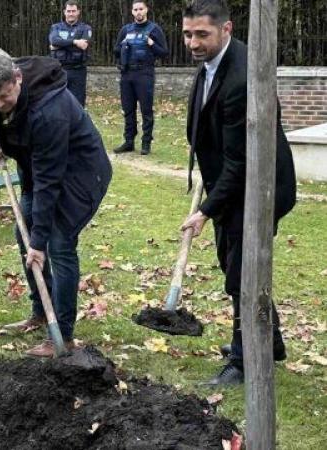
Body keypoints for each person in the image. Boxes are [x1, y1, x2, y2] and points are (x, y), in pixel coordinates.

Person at [181, 0, 296, 385]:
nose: (193, 43)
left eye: (202, 35)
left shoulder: (242, 78)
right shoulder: (213, 63)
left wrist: (205, 211)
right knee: (236, 263)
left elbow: (242, 162)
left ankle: (245, 359)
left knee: (241, 272)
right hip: (233, 186)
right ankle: (270, 342)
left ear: (226, 29)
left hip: (258, 188)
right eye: (188, 34)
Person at [0, 45, 112, 358]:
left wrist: (39, 242)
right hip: (38, 167)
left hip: (80, 174)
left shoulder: (49, 110)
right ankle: (40, 311)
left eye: (4, 96)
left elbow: (49, 185)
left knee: (57, 243)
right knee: (23, 232)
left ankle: (60, 334)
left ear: (18, 79)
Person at [113, 0, 168, 155]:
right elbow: (116, 51)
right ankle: (129, 141)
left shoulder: (154, 29)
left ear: (146, 10)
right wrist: (123, 44)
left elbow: (164, 53)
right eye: (135, 9)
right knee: (128, 110)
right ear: (132, 12)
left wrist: (151, 43)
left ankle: (146, 143)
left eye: (141, 9)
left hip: (144, 74)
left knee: (146, 110)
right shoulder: (126, 30)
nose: (138, 12)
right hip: (127, 74)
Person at [48, 0, 92, 107]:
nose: (71, 14)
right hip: (59, 70)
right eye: (69, 11)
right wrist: (75, 41)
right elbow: (54, 41)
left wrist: (60, 45)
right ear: (64, 12)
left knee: (78, 104)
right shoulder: (56, 27)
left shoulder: (85, 28)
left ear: (78, 12)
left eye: (73, 11)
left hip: (78, 71)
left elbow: (84, 46)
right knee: (58, 103)